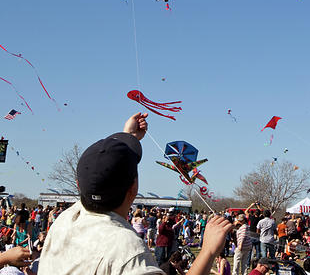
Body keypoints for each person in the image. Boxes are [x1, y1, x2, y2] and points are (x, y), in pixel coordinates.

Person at [38, 112, 233, 275]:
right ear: (133, 188)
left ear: (79, 185)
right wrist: (208, 250)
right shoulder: (126, 248)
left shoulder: (65, 220)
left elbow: (99, 173)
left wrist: (128, 136)